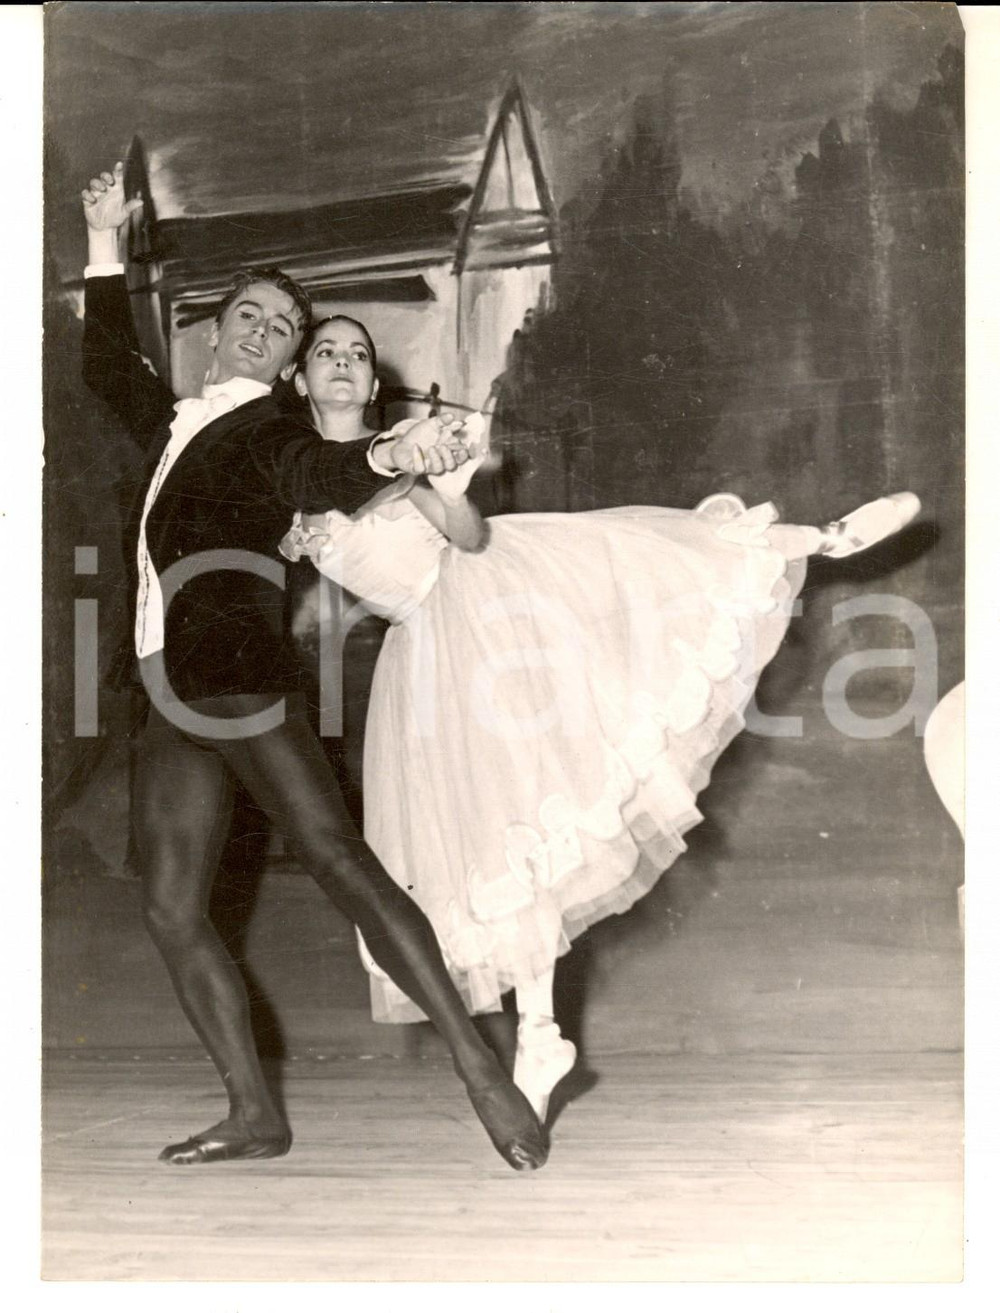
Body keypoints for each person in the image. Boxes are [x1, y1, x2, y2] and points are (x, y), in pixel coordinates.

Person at [281, 313, 922, 1123]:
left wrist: (431, 486)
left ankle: (815, 540)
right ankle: (540, 1035)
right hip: (422, 652)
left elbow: (470, 538)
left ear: (375, 383)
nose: (342, 363)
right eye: (326, 353)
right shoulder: (287, 477)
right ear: (300, 380)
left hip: (489, 604)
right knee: (502, 833)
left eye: (358, 354)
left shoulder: (408, 440)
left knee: (640, 597)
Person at [78, 162, 548, 1172]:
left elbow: (313, 467)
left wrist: (384, 458)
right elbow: (108, 367)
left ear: (288, 361)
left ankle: (479, 1066)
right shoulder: (176, 420)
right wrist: (105, 248)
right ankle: (254, 1109)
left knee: (336, 856)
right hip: (169, 685)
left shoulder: (268, 429)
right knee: (167, 902)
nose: (263, 330)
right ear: (216, 331)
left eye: (282, 328)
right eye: (250, 315)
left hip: (237, 670)